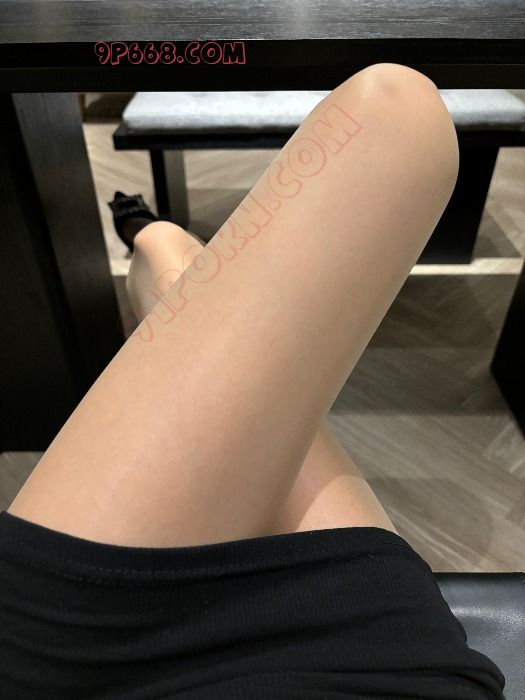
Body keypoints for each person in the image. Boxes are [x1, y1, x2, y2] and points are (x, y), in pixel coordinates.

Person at [0, 63, 505, 698]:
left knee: (395, 113)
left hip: (81, 660)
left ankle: (152, 240)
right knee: (395, 113)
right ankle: (158, 247)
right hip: (375, 661)